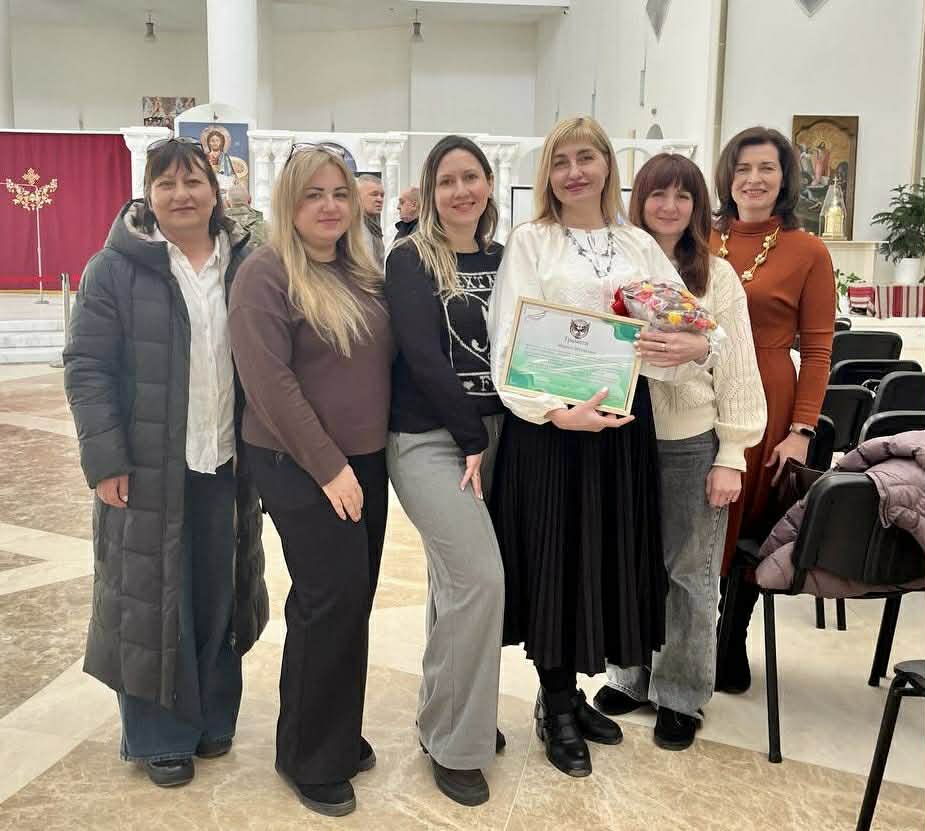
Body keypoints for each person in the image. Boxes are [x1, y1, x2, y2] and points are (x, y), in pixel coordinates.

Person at [487, 116, 723, 778]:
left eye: (585, 157)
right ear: (547, 173)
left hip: (621, 425)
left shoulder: (637, 243)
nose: (574, 172)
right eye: (560, 161)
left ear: (606, 165)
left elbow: (685, 322)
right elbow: (509, 337)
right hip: (553, 430)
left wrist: (689, 345)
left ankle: (564, 697)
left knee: (602, 559)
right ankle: (558, 705)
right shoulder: (531, 241)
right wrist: (554, 413)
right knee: (555, 562)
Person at [62, 137, 268, 789]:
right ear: (147, 194)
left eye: (193, 180)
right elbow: (87, 366)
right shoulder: (115, 268)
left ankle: (211, 717)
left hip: (226, 461)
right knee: (152, 599)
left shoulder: (246, 262)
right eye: (166, 183)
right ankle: (158, 735)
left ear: (214, 188)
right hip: (148, 466)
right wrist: (106, 459)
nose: (182, 194)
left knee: (218, 593)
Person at [228, 146, 392, 817]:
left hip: (364, 459)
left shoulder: (358, 269)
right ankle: (308, 755)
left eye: (339, 193)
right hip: (298, 462)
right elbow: (269, 383)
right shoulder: (265, 273)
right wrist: (328, 467)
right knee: (329, 600)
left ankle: (332, 730)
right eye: (312, 194)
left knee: (352, 601)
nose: (329, 206)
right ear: (288, 203)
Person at [595, 153, 767, 750]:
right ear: (637, 200)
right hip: (623, 435)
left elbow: (739, 365)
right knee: (628, 560)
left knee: (689, 572)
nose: (669, 207)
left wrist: (732, 453)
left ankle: (680, 693)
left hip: (690, 440)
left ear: (698, 207)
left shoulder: (716, 276)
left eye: (683, 196)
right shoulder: (616, 269)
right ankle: (631, 676)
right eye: (657, 194)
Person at [384, 136, 505, 807]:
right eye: (446, 180)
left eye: (471, 177)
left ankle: (452, 711)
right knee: (480, 579)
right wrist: (470, 436)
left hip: (497, 434)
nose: (461, 190)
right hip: (430, 439)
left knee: (454, 583)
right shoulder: (410, 259)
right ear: (430, 191)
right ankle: (457, 744)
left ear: (488, 183)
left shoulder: (503, 258)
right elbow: (423, 358)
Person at [710, 126, 835, 694]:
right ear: (727, 176)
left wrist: (801, 429)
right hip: (697, 387)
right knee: (693, 514)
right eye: (743, 168)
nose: (753, 180)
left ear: (785, 178)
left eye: (766, 168)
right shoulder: (701, 236)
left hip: (768, 395)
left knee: (746, 522)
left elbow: (819, 350)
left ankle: (730, 638)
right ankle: (679, 637)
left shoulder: (808, 251)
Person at [357, 173, 386, 268]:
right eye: (374, 194)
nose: (380, 199)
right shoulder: (350, 229)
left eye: (382, 195)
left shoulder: (374, 228)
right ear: (357, 197)